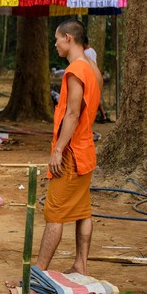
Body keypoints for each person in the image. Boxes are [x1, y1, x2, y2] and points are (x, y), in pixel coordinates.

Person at [36, 19, 103, 276]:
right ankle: (80, 265)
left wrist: (58, 150)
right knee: (82, 210)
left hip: (72, 153)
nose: (54, 44)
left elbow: (73, 114)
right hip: (86, 149)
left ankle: (38, 272)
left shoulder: (75, 70)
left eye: (56, 39)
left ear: (68, 38)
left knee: (54, 212)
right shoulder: (92, 68)